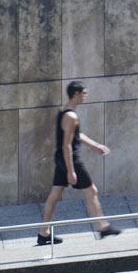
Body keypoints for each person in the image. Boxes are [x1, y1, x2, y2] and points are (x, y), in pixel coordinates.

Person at [37, 81, 122, 245]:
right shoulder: (71, 116)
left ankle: (44, 233)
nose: (85, 96)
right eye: (84, 93)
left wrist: (95, 145)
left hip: (61, 158)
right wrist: (71, 170)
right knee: (91, 191)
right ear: (76, 94)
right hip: (71, 159)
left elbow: (76, 135)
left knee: (55, 194)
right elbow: (67, 144)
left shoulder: (64, 111)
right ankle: (102, 227)